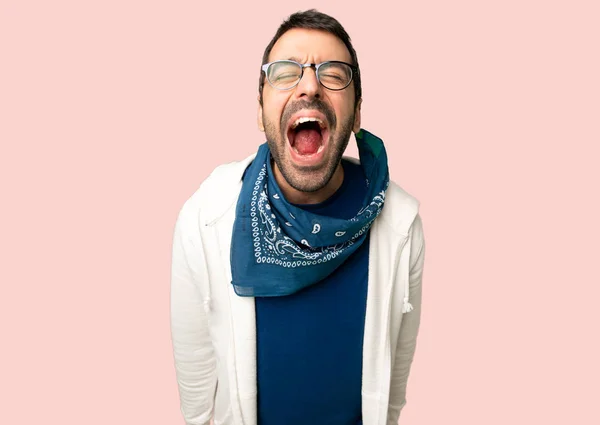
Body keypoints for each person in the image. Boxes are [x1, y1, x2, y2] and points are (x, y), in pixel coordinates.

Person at [170, 9, 426, 425]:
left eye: (334, 73)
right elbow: (198, 405)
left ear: (357, 113)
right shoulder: (204, 218)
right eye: (286, 72)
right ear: (260, 110)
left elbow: (392, 392)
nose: (310, 85)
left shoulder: (400, 224)